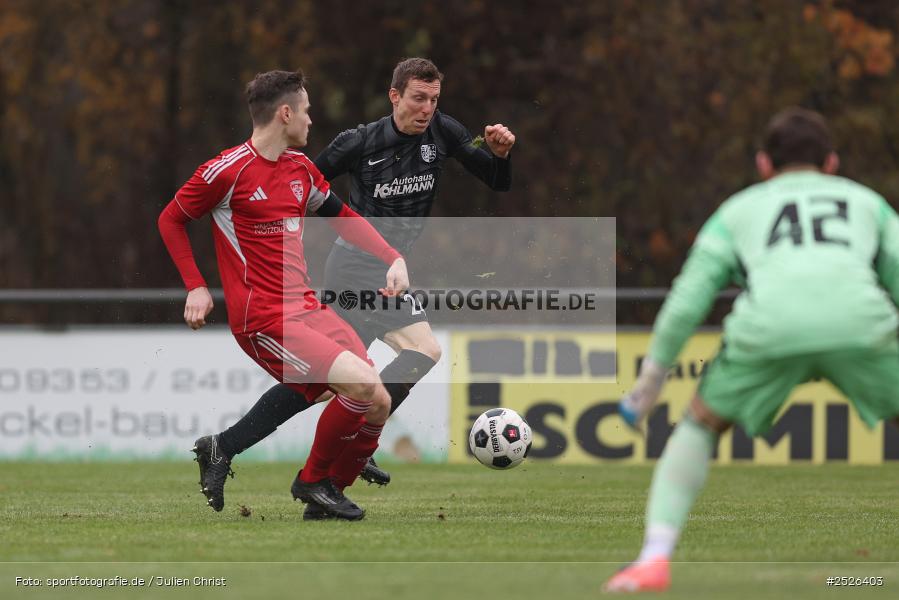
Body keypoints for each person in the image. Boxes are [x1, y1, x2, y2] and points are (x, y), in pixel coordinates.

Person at [194, 57, 517, 519]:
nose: (427, 108)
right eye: (418, 98)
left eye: (433, 100)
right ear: (395, 96)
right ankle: (337, 454)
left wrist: (501, 156)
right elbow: (299, 187)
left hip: (388, 273)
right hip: (351, 273)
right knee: (349, 379)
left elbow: (495, 181)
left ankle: (241, 446)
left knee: (351, 378)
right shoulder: (359, 142)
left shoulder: (444, 132)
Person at [604, 107, 899, 592]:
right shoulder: (869, 203)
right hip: (861, 324)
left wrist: (647, 388)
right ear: (832, 163)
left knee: (699, 424)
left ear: (763, 165)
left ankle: (654, 558)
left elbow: (685, 304)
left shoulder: (737, 211)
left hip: (769, 327)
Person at [158, 68, 411, 521]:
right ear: (286, 113)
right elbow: (171, 219)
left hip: (307, 306)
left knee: (378, 400)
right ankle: (313, 482)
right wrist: (195, 284)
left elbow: (344, 215)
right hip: (264, 314)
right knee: (359, 384)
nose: (312, 121)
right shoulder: (226, 171)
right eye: (308, 111)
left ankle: (317, 488)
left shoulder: (300, 170)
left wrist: (393, 256)